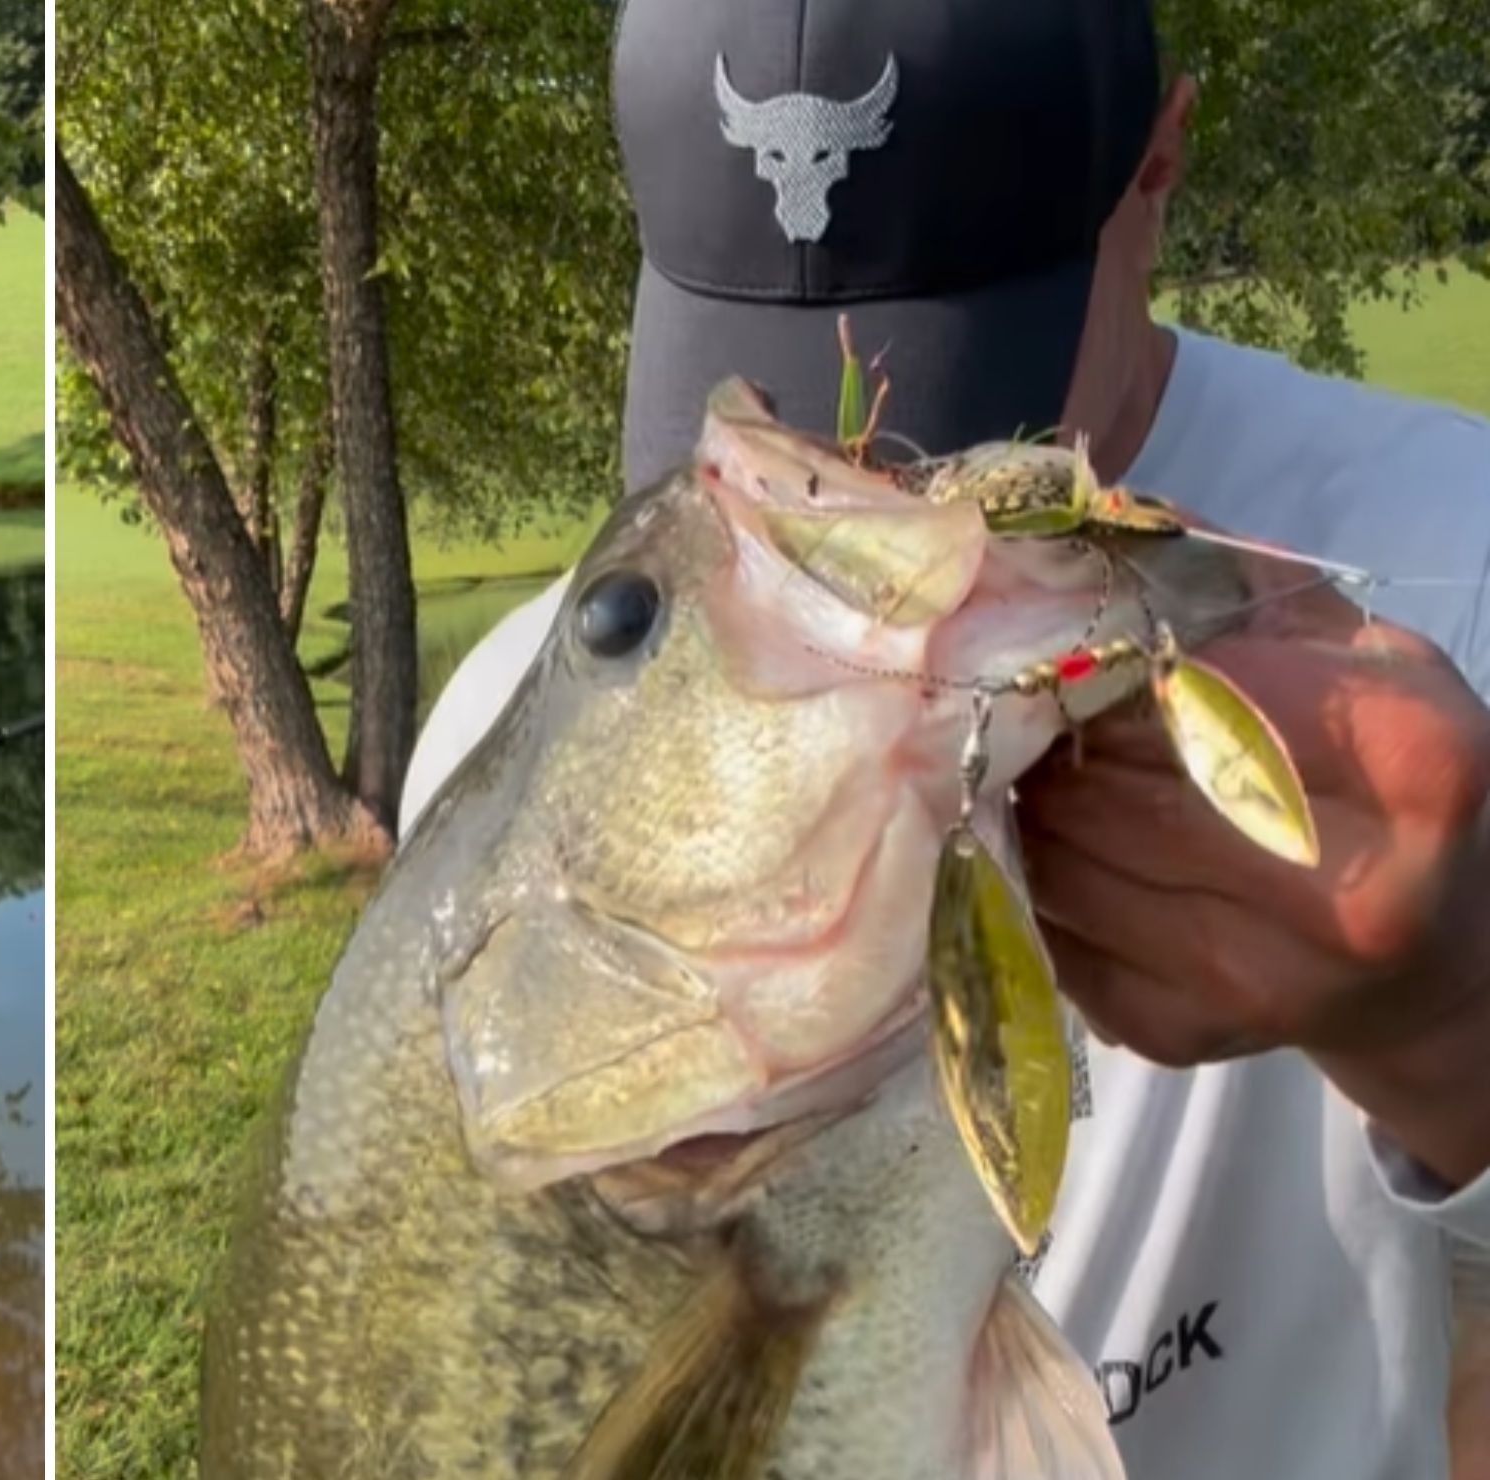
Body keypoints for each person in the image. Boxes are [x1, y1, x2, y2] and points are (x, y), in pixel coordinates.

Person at [399, 0, 1490, 1475]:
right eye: (758, 382)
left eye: (955, 378)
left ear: (1157, 167)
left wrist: (1455, 1022)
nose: (843, 465)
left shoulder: (1452, 567)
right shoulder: (505, 752)